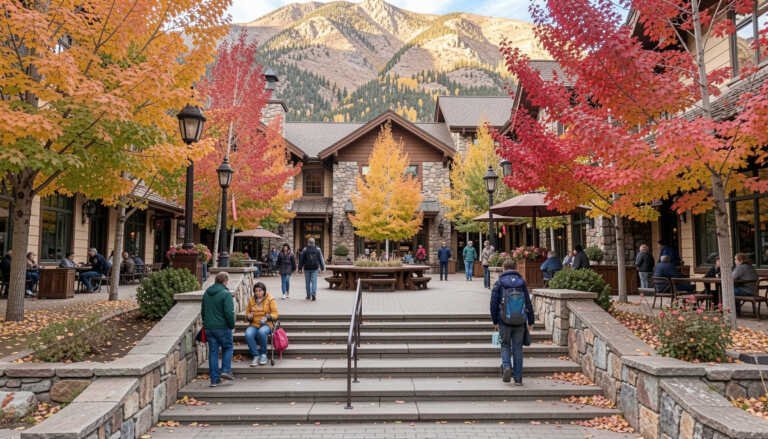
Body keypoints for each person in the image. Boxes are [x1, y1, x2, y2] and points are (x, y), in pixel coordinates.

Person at [490, 259, 534, 385]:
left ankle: (507, 366)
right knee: (518, 348)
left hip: (504, 320)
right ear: (515, 268)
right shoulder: (521, 282)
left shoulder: (499, 282)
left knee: (505, 344)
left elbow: (493, 303)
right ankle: (518, 378)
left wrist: (495, 320)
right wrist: (530, 320)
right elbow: (528, 302)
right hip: (520, 321)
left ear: (504, 268)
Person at [201, 272, 235, 387]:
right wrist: (231, 325)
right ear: (225, 281)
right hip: (222, 327)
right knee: (228, 347)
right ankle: (225, 370)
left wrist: (206, 323)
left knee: (213, 352)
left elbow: (203, 311)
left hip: (209, 328)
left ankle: (214, 380)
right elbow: (229, 313)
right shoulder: (226, 294)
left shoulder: (206, 293)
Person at [245, 282, 278, 366]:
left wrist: (268, 317)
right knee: (248, 334)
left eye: (260, 291)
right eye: (256, 291)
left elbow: (275, 314)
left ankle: (263, 354)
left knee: (261, 332)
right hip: (254, 324)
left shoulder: (270, 299)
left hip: (267, 324)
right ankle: (255, 355)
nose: (258, 293)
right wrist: (249, 316)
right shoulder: (251, 300)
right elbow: (247, 312)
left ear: (264, 291)